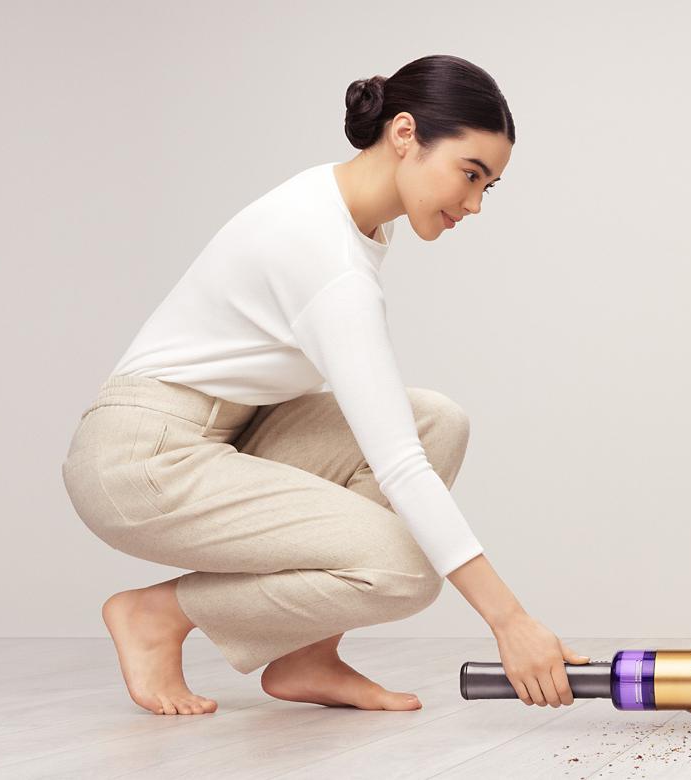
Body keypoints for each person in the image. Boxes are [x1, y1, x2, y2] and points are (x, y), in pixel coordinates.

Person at [63, 54, 586, 717]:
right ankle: (157, 615)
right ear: (404, 134)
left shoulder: (348, 212)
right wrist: (512, 622)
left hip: (231, 432)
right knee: (402, 569)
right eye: (470, 174)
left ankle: (304, 653)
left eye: (490, 186)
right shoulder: (328, 257)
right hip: (141, 458)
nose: (475, 204)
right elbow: (398, 466)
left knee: (437, 420)